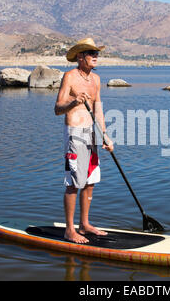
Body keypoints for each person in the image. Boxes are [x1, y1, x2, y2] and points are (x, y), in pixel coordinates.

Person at [54, 38, 114, 244]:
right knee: (74, 183)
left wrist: (104, 135)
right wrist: (73, 102)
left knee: (90, 181)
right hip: (75, 133)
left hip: (92, 133)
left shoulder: (96, 80)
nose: (95, 56)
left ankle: (85, 224)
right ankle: (69, 230)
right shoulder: (69, 77)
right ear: (80, 57)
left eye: (97, 53)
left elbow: (98, 108)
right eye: (91, 53)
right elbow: (57, 108)